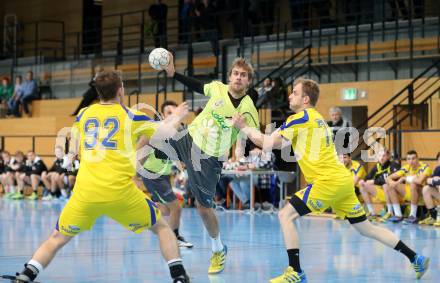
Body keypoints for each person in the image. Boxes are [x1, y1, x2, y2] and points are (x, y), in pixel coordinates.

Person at [232, 77, 429, 282]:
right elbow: (278, 144)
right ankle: (415, 257)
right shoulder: (317, 119)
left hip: (328, 181)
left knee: (285, 215)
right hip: (342, 181)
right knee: (366, 228)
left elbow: (268, 143)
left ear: (306, 99)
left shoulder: (299, 119)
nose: (289, 95)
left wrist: (243, 126)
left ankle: (295, 271)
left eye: (295, 93)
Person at [11, 70, 191, 283]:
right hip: (120, 192)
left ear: (97, 92)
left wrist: (69, 158)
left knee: (57, 237)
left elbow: (75, 144)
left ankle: (27, 274)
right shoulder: (131, 116)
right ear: (120, 90)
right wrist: (177, 115)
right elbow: (166, 132)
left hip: (86, 192)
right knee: (162, 227)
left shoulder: (85, 114)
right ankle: (179, 276)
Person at [161, 55, 259, 274]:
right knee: (158, 133)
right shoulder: (217, 88)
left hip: (209, 159)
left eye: (243, 75)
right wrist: (173, 73)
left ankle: (218, 248)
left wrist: (243, 129)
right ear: (230, 76)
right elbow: (196, 85)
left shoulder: (248, 109)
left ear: (248, 81)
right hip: (189, 138)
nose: (238, 78)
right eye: (235, 73)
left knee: (203, 208)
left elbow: (255, 135)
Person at [138, 100, 193, 248]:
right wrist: (137, 173)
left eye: (175, 112)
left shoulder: (177, 133)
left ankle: (160, 230)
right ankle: (174, 238)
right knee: (176, 208)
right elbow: (141, 150)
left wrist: (181, 165)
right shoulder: (155, 130)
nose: (174, 116)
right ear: (162, 116)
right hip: (153, 174)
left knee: (165, 209)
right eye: (170, 113)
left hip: (163, 175)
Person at [387, 150, 432, 224]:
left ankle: (412, 215)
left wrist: (404, 178)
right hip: (410, 193)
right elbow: (389, 177)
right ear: (407, 160)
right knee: (390, 186)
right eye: (408, 159)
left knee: (414, 184)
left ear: (418, 159)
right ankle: (398, 215)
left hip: (423, 195)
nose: (411, 161)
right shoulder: (406, 167)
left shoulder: (425, 167)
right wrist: (393, 183)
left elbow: (420, 181)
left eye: (413, 158)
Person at [358, 149, 400, 221]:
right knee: (362, 187)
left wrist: (374, 182)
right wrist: (363, 180)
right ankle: (372, 213)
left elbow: (390, 180)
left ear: (388, 156)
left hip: (394, 193)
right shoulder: (377, 166)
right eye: (379, 156)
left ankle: (390, 212)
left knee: (386, 185)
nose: (381, 158)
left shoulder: (394, 165)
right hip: (383, 193)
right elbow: (368, 176)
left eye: (383, 155)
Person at [419, 152, 440, 226]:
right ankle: (433, 216)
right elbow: (429, 181)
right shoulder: (438, 169)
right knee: (426, 189)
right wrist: (432, 180)